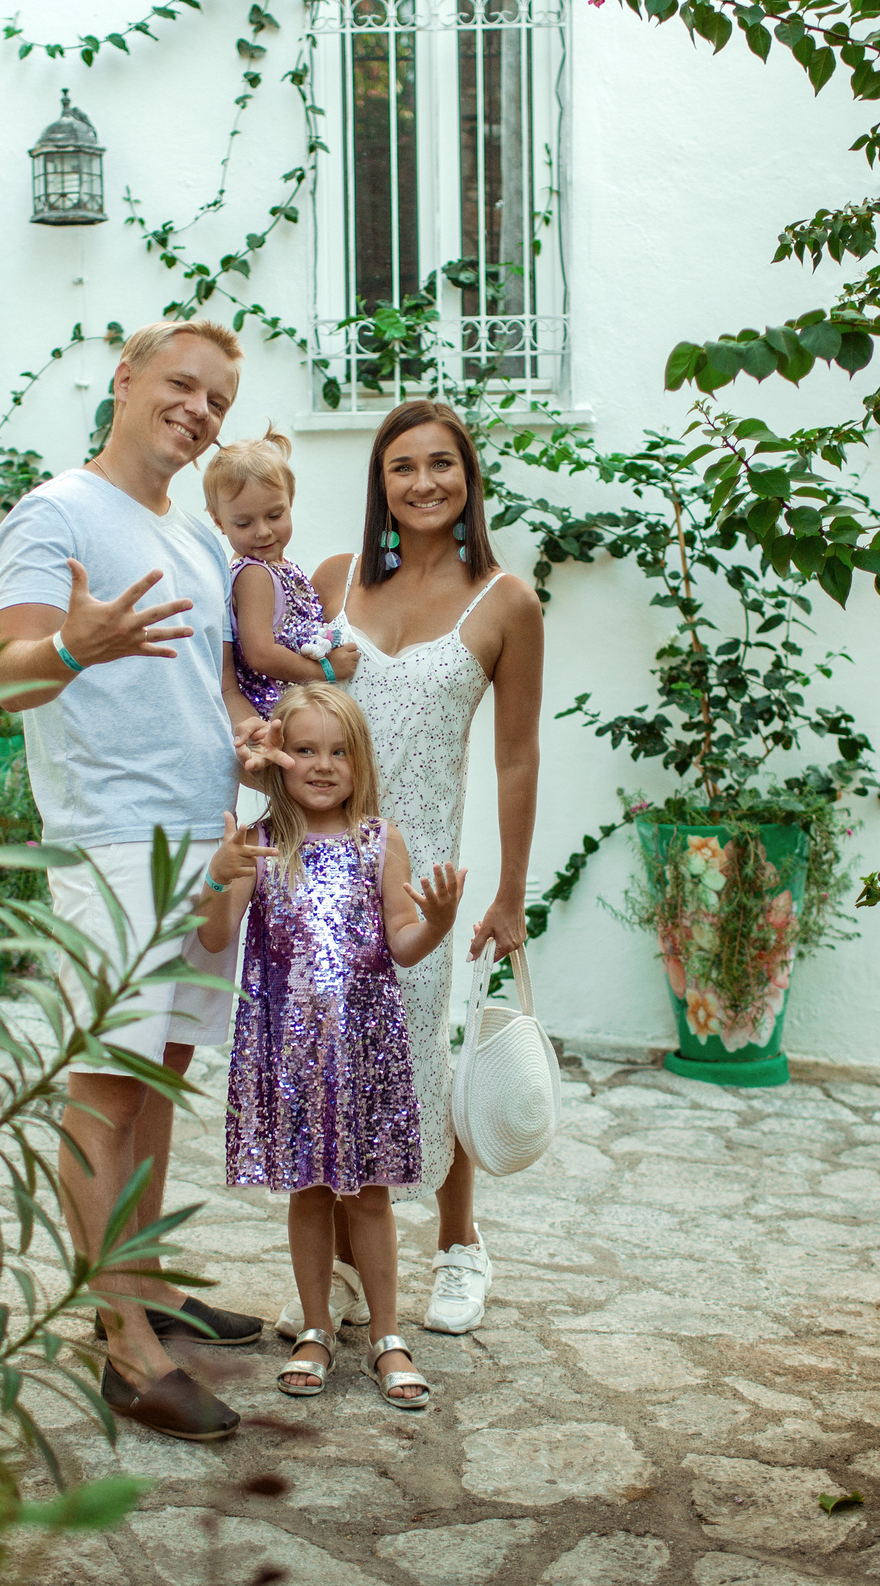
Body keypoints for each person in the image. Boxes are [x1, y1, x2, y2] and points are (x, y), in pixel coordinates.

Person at [0, 317, 265, 1443]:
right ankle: (119, 1340)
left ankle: (144, 1281)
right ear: (126, 378)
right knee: (103, 1090)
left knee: (159, 1079)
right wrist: (70, 649)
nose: (197, 413)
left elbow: (210, 688)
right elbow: (7, 681)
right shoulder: (53, 514)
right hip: (113, 847)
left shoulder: (194, 538)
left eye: (217, 404)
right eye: (183, 387)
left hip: (205, 845)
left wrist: (250, 741)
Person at [298, 398, 545, 1337]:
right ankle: (349, 1269)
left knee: (422, 1055)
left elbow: (515, 755)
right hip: (323, 866)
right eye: (403, 467)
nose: (424, 482)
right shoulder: (332, 578)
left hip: (425, 868)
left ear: (469, 479)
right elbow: (280, 699)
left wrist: (509, 892)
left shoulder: (506, 601)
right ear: (381, 484)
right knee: (325, 1061)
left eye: (442, 464)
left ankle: (457, 1244)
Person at [196, 685, 466, 1407]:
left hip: (365, 1056)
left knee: (370, 1196)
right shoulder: (258, 842)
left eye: (339, 750)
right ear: (277, 759)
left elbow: (404, 944)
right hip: (290, 1058)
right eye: (306, 749)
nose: (322, 765)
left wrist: (437, 923)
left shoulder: (380, 839)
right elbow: (217, 935)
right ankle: (316, 1324)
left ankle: (385, 1334)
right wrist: (222, 876)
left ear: (361, 760)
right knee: (310, 1195)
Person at [205, 428, 361, 721]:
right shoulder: (254, 574)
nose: (263, 531)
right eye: (243, 523)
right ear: (219, 521)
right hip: (274, 717)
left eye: (274, 516)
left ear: (291, 501)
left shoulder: (281, 566)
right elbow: (260, 654)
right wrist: (327, 671)